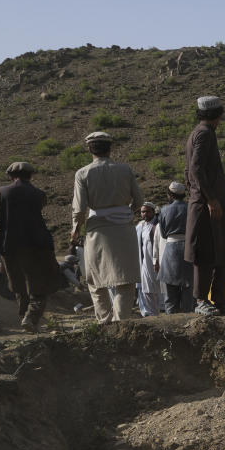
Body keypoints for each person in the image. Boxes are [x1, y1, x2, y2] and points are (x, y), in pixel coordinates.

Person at [70, 131, 144, 323]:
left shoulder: (83, 173)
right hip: (124, 230)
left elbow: (79, 209)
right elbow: (139, 201)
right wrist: (125, 213)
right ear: (110, 148)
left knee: (96, 279)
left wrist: (75, 229)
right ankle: (122, 323)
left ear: (89, 149)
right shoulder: (125, 170)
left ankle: (104, 321)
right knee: (125, 279)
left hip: (98, 231)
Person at [0, 162, 63, 332]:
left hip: (10, 245)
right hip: (37, 245)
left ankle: (25, 318)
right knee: (40, 286)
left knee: (18, 286)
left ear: (10, 176)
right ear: (30, 176)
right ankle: (31, 318)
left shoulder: (1, 192)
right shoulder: (39, 194)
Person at [185, 96, 225, 316]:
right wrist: (211, 199)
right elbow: (195, 170)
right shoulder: (204, 134)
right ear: (218, 114)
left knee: (221, 251)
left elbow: (189, 173)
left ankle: (219, 299)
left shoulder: (202, 133)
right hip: (208, 205)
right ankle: (201, 301)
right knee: (206, 253)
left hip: (212, 203)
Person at [158, 181, 195, 313]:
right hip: (189, 250)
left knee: (170, 293)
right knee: (188, 290)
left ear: (170, 195)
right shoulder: (191, 208)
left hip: (171, 251)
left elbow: (163, 234)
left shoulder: (163, 210)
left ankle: (170, 319)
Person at [135, 202, 163, 316]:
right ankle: (149, 313)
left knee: (158, 289)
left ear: (153, 212)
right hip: (143, 263)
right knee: (145, 289)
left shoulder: (158, 225)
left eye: (147, 211)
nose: (145, 214)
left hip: (156, 262)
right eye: (143, 212)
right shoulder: (140, 226)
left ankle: (160, 312)